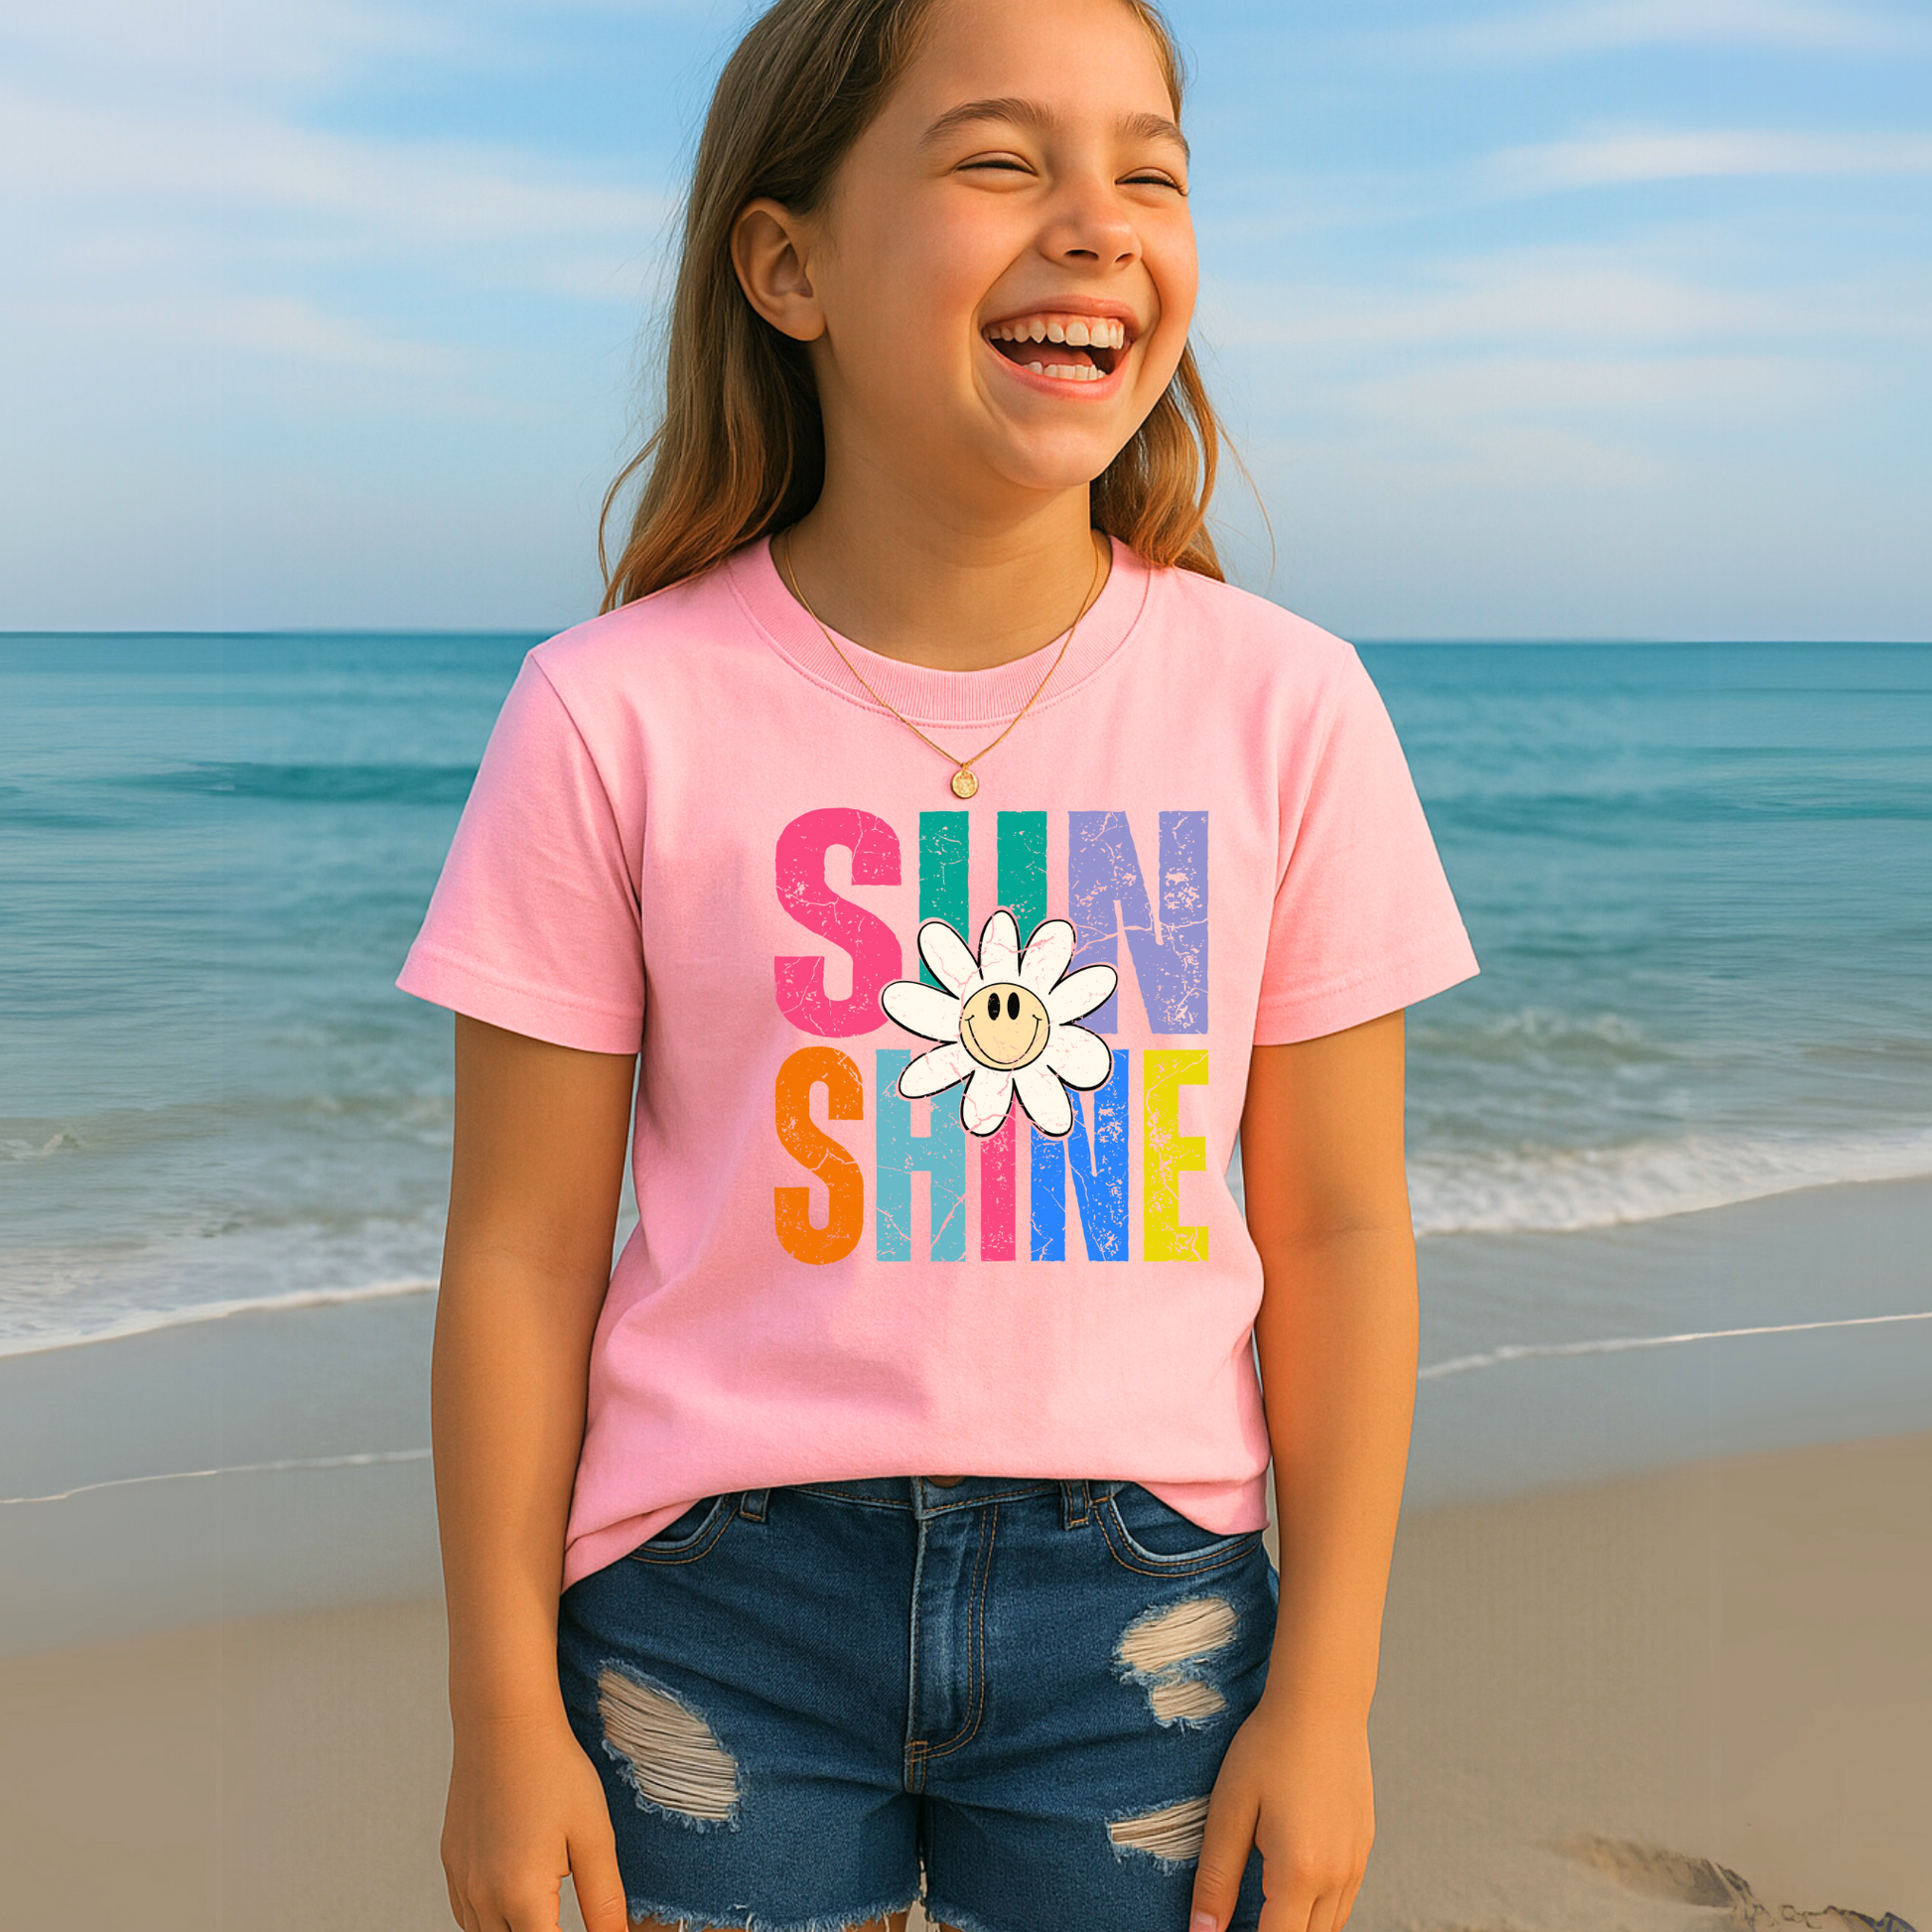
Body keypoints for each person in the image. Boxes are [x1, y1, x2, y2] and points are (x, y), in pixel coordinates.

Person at [397, 1, 1478, 1928]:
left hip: (1149, 1610)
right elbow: (520, 1253)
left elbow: (1334, 1232)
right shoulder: (609, 711)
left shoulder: (1284, 707)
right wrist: (499, 1715)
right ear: (788, 264)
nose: (1097, 223)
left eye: (1148, 172)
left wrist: (1328, 1696)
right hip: (706, 1602)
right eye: (999, 160)